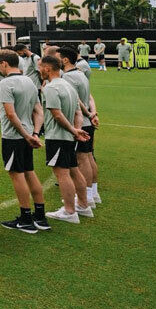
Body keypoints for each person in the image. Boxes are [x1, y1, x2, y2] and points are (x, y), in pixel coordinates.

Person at [0, 50, 47, 233]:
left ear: (5, 64)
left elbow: (10, 113)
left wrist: (26, 135)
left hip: (14, 137)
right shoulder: (30, 81)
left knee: (17, 174)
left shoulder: (6, 83)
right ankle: (40, 215)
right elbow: (39, 111)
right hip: (28, 135)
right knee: (30, 172)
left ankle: (25, 218)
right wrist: (35, 133)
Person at [39, 55, 92, 223]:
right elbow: (78, 112)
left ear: (47, 68)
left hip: (57, 136)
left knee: (62, 174)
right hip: (68, 136)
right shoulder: (68, 86)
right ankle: (83, 206)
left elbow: (56, 114)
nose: (39, 70)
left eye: (40, 67)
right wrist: (76, 130)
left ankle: (70, 211)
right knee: (74, 170)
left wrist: (73, 130)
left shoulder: (51, 88)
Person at [59, 46, 102, 207]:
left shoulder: (69, 77)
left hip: (81, 123)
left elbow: (77, 101)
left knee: (82, 159)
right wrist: (92, 114)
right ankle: (93, 193)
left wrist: (89, 114)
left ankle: (87, 196)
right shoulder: (81, 74)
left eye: (58, 58)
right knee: (89, 156)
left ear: (65, 59)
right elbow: (89, 97)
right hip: (87, 122)